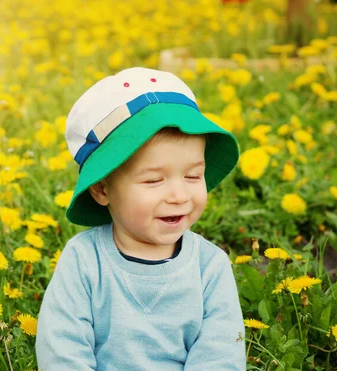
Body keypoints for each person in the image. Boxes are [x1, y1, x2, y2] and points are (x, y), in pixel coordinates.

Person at [35, 67, 246, 370]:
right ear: (102, 188)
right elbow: (62, 349)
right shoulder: (83, 262)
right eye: (153, 181)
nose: (178, 195)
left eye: (192, 175)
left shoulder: (210, 267)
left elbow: (221, 353)